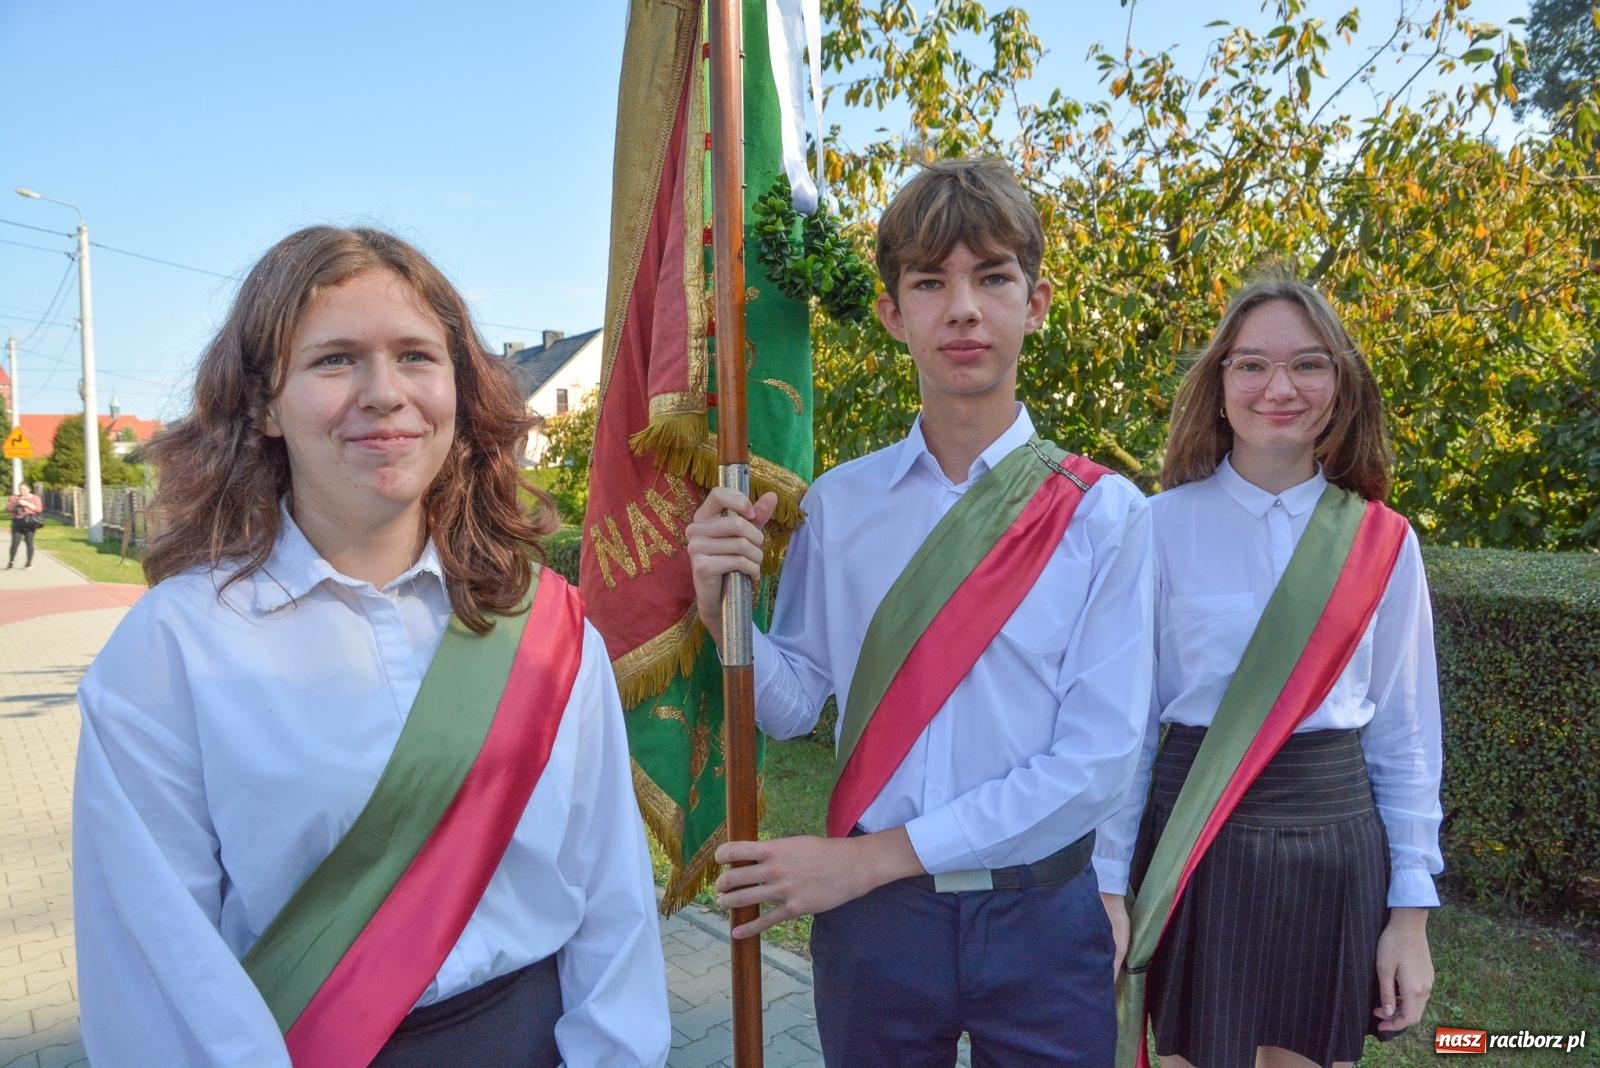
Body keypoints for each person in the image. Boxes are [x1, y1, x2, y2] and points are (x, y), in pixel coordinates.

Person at [72, 226, 670, 1068]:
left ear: (459, 392)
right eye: (335, 360)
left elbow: (613, 894)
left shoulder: (546, 626)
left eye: (417, 357)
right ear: (261, 405)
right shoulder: (173, 649)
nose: (384, 393)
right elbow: (153, 963)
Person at [687, 158, 1154, 1065]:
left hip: (1040, 915)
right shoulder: (840, 502)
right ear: (895, 312)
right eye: (930, 282)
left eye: (992, 277)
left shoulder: (1105, 513)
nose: (964, 308)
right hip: (876, 933)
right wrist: (722, 612)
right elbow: (796, 704)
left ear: (1038, 301)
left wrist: (867, 860)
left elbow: (1095, 767)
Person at [1094, 278, 1443, 1068]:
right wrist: (1110, 888)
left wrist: (1410, 915)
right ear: (1219, 387)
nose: (1279, 388)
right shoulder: (1158, 527)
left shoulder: (1384, 542)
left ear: (1339, 385)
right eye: (1251, 365)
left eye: (1308, 365)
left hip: (1334, 848)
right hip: (1196, 841)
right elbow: (1127, 731)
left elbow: (1406, 735)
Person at [6, 481, 44, 568]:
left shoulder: (35, 498)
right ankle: (11, 561)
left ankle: (29, 563)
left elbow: (39, 510)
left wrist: (27, 504)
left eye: (24, 489)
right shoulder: (14, 497)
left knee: (29, 543)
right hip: (17, 522)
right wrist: (16, 503)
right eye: (20, 489)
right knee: (15, 543)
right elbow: (8, 509)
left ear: (29, 489)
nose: (21, 491)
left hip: (29, 523)